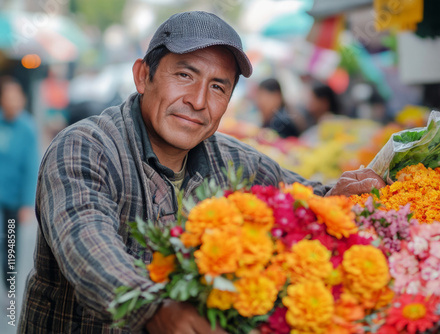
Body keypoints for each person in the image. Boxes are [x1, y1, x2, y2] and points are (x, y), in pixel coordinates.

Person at [19, 11, 385, 334]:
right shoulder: (86, 146)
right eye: (184, 74)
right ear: (143, 76)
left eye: (218, 87)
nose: (198, 100)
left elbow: (306, 197)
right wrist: (152, 307)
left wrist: (342, 195)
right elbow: (86, 243)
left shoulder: (236, 162)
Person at [0, 76, 38, 291]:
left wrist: (26, 203)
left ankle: (9, 284)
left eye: (16, 96)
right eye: (8, 96)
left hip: (14, 200)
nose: (12, 100)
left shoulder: (27, 128)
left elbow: (31, 168)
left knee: (10, 244)